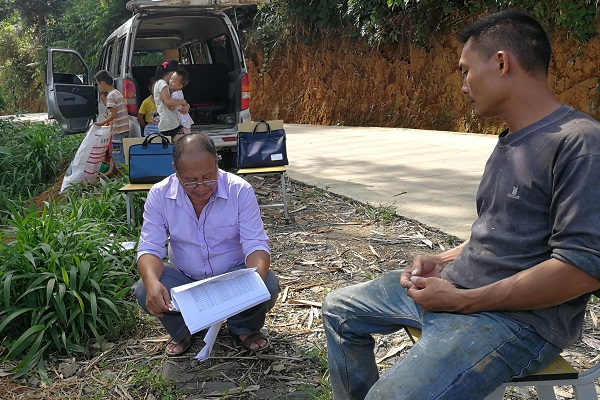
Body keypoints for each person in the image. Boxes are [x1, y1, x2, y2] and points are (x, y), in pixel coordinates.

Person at [322, 10, 600, 400]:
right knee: (339, 309)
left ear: (502, 63)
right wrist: (444, 261)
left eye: (465, 70)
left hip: (516, 322)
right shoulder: (511, 141)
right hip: (456, 292)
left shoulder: (579, 143)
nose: (463, 85)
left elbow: (581, 270)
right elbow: (504, 234)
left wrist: (465, 301)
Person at [132, 133, 280, 356]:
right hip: (185, 278)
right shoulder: (160, 194)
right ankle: (184, 330)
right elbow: (150, 247)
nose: (200, 186)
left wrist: (253, 283)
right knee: (145, 289)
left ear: (216, 162)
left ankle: (244, 328)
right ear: (176, 169)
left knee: (265, 283)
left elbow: (255, 243)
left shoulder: (239, 190)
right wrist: (152, 281)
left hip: (231, 277)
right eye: (190, 180)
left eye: (208, 177)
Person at [94, 70, 129, 169]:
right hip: (125, 128)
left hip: (118, 131)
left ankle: (122, 177)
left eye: (98, 84)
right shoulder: (117, 93)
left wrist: (101, 123)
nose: (99, 87)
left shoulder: (110, 96)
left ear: (103, 83)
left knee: (117, 154)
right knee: (123, 153)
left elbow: (114, 114)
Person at [154, 60, 189, 142]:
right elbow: (168, 103)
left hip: (168, 123)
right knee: (183, 143)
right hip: (170, 124)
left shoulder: (161, 84)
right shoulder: (162, 84)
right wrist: (183, 102)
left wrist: (186, 104)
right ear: (172, 73)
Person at [169, 69, 193, 138]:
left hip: (181, 121)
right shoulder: (176, 93)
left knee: (182, 138)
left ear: (180, 86)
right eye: (171, 79)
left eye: (174, 81)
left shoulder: (176, 95)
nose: (170, 82)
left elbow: (171, 106)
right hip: (182, 120)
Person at [98, 91, 115, 177]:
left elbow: (113, 120)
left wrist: (106, 119)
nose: (104, 103)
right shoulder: (109, 109)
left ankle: (110, 171)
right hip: (110, 133)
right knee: (107, 151)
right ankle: (107, 169)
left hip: (113, 132)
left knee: (113, 152)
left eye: (103, 100)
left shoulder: (112, 108)